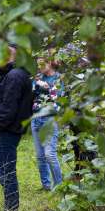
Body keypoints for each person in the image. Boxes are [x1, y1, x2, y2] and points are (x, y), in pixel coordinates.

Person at [0, 44, 33, 211]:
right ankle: (10, 208)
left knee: (7, 172)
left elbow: (9, 106)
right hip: (7, 131)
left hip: (6, 132)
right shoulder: (13, 74)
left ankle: (11, 210)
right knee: (5, 171)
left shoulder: (15, 76)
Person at [32, 55, 63, 191]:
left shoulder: (58, 78)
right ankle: (46, 185)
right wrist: (36, 86)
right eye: (38, 65)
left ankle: (59, 186)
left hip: (50, 118)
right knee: (40, 156)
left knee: (49, 154)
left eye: (41, 65)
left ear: (50, 63)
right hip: (36, 118)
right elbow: (32, 93)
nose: (39, 67)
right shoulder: (39, 78)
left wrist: (46, 87)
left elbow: (58, 98)